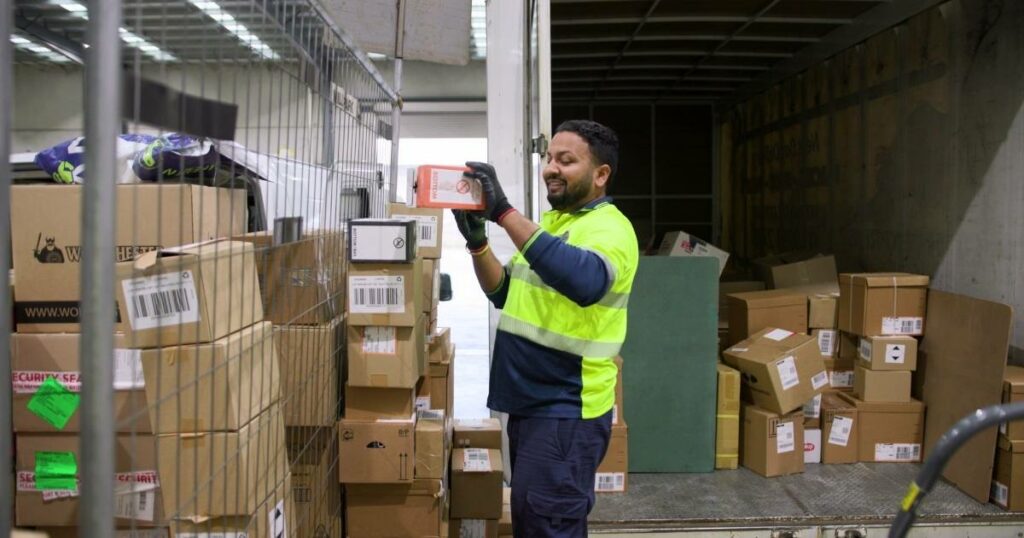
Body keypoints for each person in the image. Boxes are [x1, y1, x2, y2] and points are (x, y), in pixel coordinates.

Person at [453, 119, 639, 537]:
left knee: (549, 526)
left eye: (567, 160)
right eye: (550, 158)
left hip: (565, 409)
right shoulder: (552, 225)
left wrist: (503, 213)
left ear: (601, 174)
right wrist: (478, 243)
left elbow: (585, 280)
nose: (551, 168)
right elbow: (503, 292)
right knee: (535, 523)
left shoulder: (609, 228)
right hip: (532, 406)